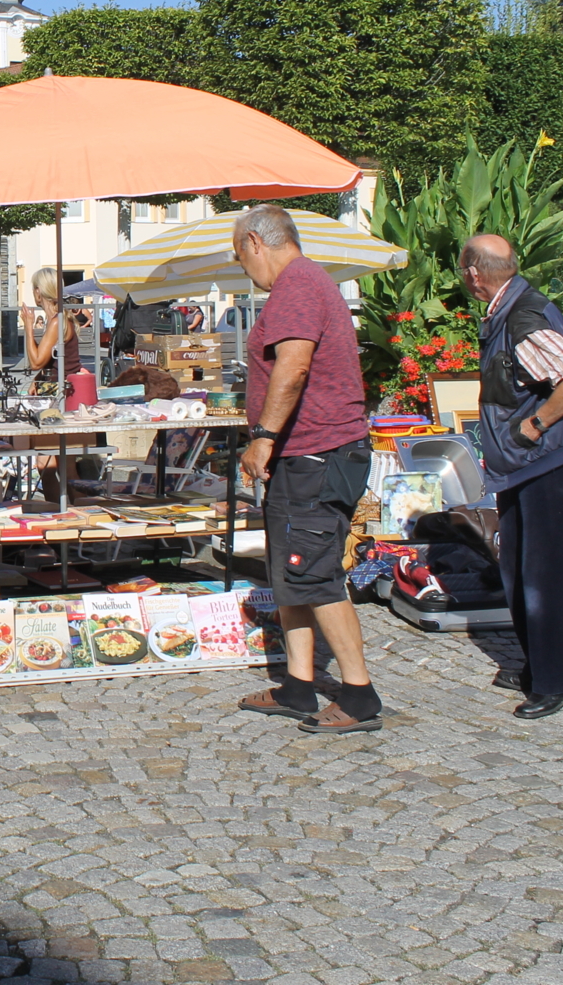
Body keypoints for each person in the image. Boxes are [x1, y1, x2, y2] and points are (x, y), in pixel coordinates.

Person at [229, 205, 380, 735]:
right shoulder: (305, 282)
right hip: (309, 453)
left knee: (314, 571)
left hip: (317, 451)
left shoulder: (296, 284)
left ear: (255, 242)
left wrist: (264, 438)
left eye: (240, 256)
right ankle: (297, 685)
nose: (245, 269)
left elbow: (293, 367)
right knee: (290, 568)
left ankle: (359, 694)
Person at [460, 233, 563, 721]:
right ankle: (537, 665)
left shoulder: (523, 316)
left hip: (552, 460)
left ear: (475, 273)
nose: (463, 278)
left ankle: (558, 682)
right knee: (517, 565)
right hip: (528, 461)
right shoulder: (509, 308)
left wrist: (533, 426)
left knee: (543, 574)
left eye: (463, 270)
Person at [21, 267, 91, 501]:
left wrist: (28, 326)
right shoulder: (61, 319)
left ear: (39, 292)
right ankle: (63, 514)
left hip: (60, 399)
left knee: (56, 464)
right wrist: (38, 378)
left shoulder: (56, 322)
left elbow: (36, 360)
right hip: (60, 395)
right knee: (54, 464)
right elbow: (52, 361)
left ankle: (69, 514)